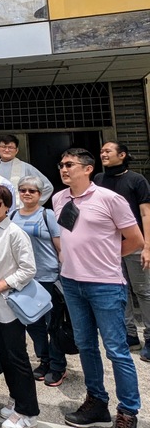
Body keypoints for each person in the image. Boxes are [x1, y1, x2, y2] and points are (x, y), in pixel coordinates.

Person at [53, 148, 143, 428]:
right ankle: (96, 402)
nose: (64, 169)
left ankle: (128, 410)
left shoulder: (110, 199)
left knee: (116, 349)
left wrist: (107, 257)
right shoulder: (59, 199)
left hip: (105, 284)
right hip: (71, 282)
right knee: (86, 345)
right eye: (61, 165)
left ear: (88, 168)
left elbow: (135, 240)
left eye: (70, 164)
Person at [0, 183, 40, 428]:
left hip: (9, 305)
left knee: (17, 357)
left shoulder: (14, 232)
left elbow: (29, 268)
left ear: (7, 207)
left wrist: (4, 283)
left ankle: (28, 411)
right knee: (3, 356)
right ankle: (16, 400)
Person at [10, 175, 66, 386]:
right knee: (32, 322)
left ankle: (58, 365)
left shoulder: (47, 215)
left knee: (53, 323)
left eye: (32, 191)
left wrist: (64, 272)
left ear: (40, 194)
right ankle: (44, 359)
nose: (27, 194)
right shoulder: (13, 215)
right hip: (24, 278)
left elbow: (60, 247)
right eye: (23, 190)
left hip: (48, 276)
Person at [96, 141, 150, 358]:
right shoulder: (99, 179)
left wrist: (147, 246)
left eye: (107, 151)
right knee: (120, 290)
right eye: (101, 151)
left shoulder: (136, 180)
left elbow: (146, 213)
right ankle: (129, 334)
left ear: (122, 155)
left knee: (144, 291)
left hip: (135, 243)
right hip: (109, 245)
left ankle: (149, 336)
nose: (103, 154)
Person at [0, 134, 54, 204]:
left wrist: (31, 205)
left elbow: (48, 187)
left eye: (10, 147)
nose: (7, 150)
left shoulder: (26, 167)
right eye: (4, 147)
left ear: (16, 150)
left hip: (19, 208)